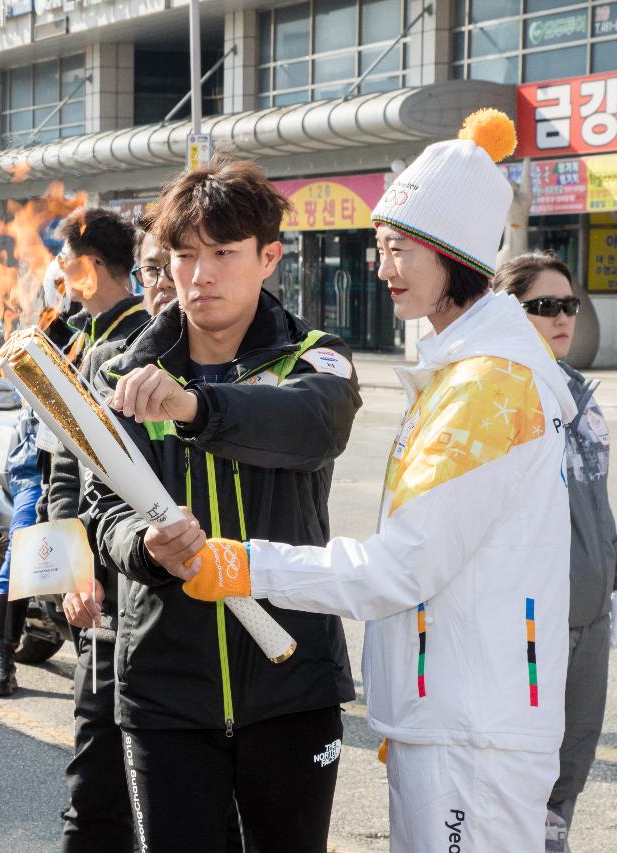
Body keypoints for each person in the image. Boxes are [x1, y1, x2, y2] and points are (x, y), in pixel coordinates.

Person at [168, 112, 576, 850]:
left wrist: (244, 563)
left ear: (449, 253)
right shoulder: (464, 375)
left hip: (470, 729)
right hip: (452, 718)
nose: (379, 266)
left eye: (396, 248)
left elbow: (398, 567)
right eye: (378, 246)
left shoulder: (486, 389)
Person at [85, 156, 360, 852]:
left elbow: (312, 426)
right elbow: (101, 508)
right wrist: (143, 550)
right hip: (164, 690)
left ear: (269, 256)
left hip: (291, 681)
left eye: (223, 253)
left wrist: (195, 406)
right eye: (183, 255)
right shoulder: (121, 370)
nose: (199, 274)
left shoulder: (314, 357)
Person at [0, 208, 147, 697]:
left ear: (90, 266)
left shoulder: (141, 341)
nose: (57, 268)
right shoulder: (76, 331)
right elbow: (62, 468)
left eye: (65, 258)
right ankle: (2, 653)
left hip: (123, 555)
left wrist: (88, 569)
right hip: (67, 522)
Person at [493, 253, 615, 846]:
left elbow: (596, 513)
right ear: (509, 312)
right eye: (545, 307)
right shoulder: (497, 395)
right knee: (522, 780)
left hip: (590, 623)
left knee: (568, 777)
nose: (562, 317)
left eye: (569, 305)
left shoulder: (581, 396)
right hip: (533, 628)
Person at [52, 217, 165, 852]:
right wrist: (71, 570)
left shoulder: (245, 361)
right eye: (156, 267)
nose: (169, 281)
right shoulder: (96, 350)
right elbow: (64, 475)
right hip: (106, 618)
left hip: (192, 627)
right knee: (92, 798)